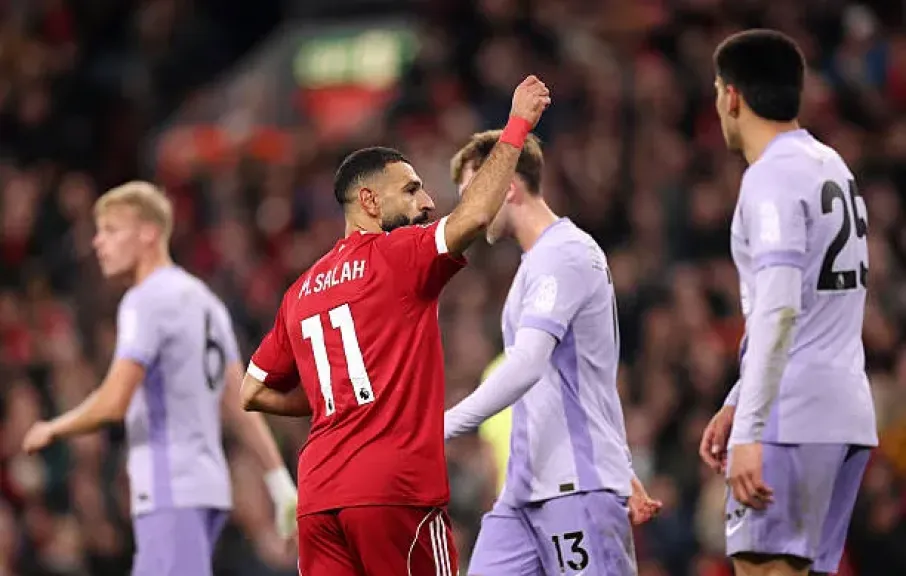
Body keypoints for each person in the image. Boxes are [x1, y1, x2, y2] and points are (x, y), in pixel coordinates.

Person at [239, 75, 551, 576]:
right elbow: (474, 216)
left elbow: (252, 391)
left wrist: (328, 397)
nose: (427, 202)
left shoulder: (300, 291)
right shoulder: (396, 256)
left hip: (318, 500)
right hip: (394, 491)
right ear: (368, 202)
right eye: (411, 190)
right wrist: (517, 125)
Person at [21, 182, 299, 576]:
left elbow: (114, 401)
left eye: (112, 230)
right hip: (208, 490)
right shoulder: (206, 301)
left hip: (170, 489)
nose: (99, 242)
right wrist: (279, 482)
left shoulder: (144, 301)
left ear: (148, 233)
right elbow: (240, 402)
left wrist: (53, 428)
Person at [698, 29, 877, 576]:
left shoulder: (770, 178)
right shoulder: (831, 166)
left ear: (733, 96)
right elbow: (812, 306)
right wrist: (738, 398)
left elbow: (779, 308)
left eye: (717, 92)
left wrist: (751, 429)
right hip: (844, 412)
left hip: (792, 417)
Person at [443, 130, 662, 576]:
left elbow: (527, 365)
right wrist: (620, 462)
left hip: (574, 488)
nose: (468, 210)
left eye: (472, 193)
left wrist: (440, 427)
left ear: (507, 186)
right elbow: (583, 376)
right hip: (522, 494)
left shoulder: (566, 254)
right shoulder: (535, 263)